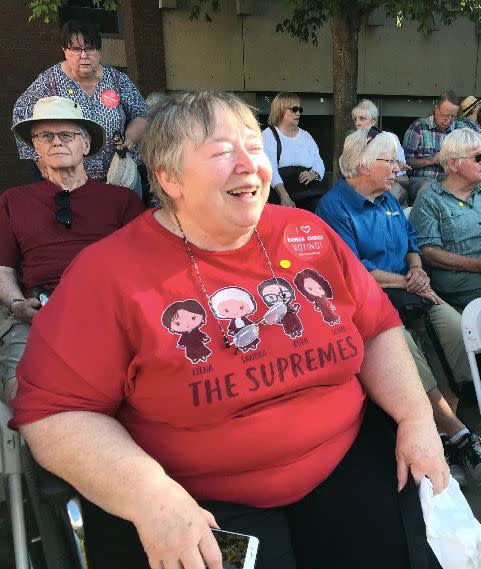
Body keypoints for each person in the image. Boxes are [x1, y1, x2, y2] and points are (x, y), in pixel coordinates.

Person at [10, 91, 450, 569]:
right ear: (167, 178)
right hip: (198, 498)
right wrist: (149, 497)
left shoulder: (308, 233)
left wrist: (414, 417)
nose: (249, 165)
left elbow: (377, 328)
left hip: (344, 462)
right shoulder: (107, 273)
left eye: (254, 147)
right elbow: (56, 414)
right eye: (222, 152)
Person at [317, 128, 481, 484]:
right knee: (406, 349)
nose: (401, 167)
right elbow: (353, 271)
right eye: (392, 161)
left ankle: (441, 433)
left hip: (410, 291)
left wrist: (415, 270)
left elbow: (413, 243)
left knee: (454, 329)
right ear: (363, 166)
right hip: (368, 303)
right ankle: (456, 431)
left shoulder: (388, 199)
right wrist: (409, 281)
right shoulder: (333, 208)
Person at [0, 96, 144, 404]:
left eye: (67, 134)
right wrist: (16, 304)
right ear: (35, 147)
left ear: (86, 145)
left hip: (109, 315)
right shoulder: (14, 200)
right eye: (45, 136)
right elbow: (3, 268)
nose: (56, 142)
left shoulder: (121, 200)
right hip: (36, 315)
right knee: (25, 395)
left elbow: (144, 267)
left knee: (138, 392)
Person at [12, 19, 148, 188]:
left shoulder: (117, 79)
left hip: (119, 176)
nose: (83, 55)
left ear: (99, 50)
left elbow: (141, 114)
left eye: (89, 48)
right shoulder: (49, 81)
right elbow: (20, 112)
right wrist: (38, 157)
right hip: (67, 181)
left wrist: (130, 138)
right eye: (76, 49)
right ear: (64, 50)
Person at [409, 128, 481, 311]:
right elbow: (430, 253)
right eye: (477, 157)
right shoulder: (430, 199)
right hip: (457, 282)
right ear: (454, 164)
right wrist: (478, 266)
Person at [262, 92, 327, 211]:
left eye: (300, 109)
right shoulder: (268, 135)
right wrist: (284, 196)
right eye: (294, 109)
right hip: (281, 194)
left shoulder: (306, 136)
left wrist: (313, 174)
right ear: (280, 110)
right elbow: (270, 169)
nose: (298, 113)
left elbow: (318, 161)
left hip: (309, 194)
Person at [402, 90, 470, 203]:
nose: (448, 120)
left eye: (452, 116)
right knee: (429, 193)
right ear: (436, 109)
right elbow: (405, 163)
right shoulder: (419, 126)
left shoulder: (460, 128)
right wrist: (431, 160)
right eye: (445, 115)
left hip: (452, 180)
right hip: (423, 179)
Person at [351, 99, 411, 205]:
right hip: (365, 181)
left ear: (374, 121)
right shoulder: (353, 142)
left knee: (388, 198)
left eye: (362, 119)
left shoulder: (389, 138)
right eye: (355, 119)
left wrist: (393, 165)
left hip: (394, 181)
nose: (358, 123)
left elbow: (400, 170)